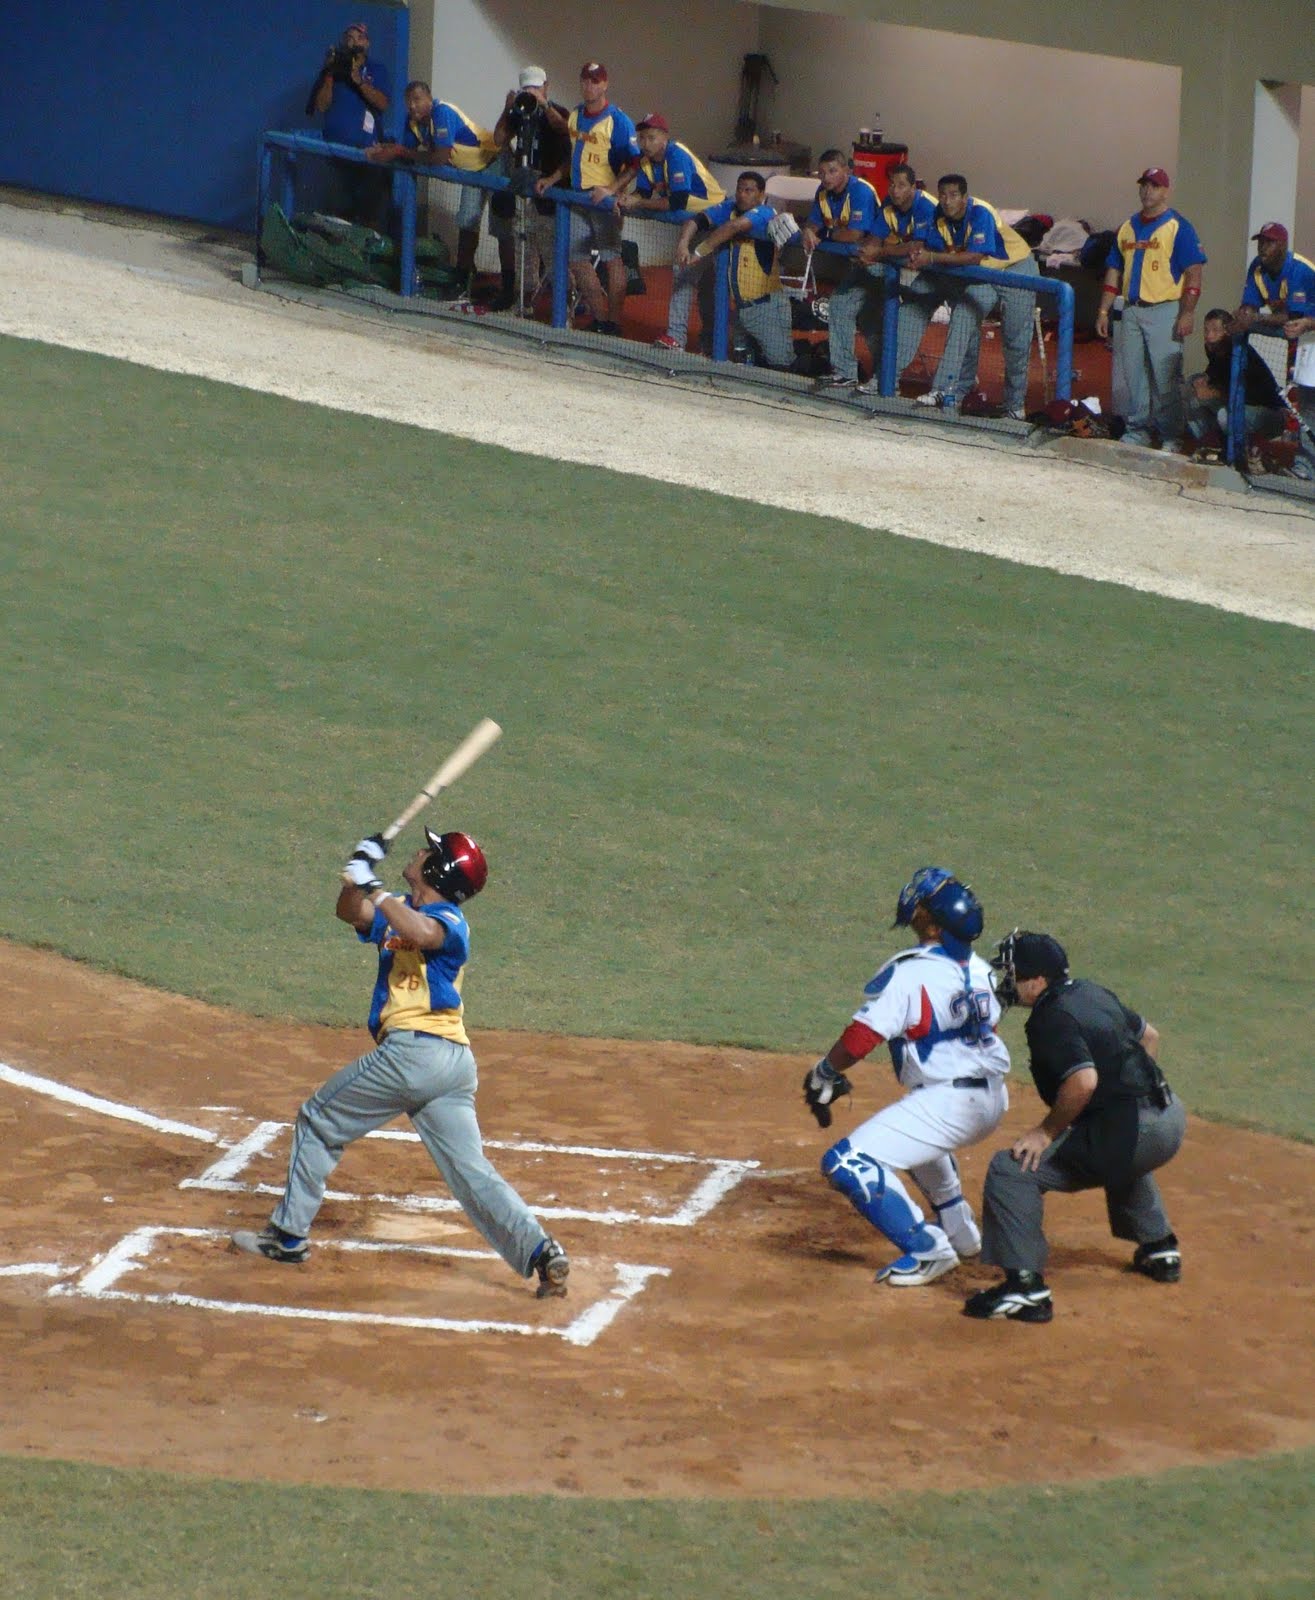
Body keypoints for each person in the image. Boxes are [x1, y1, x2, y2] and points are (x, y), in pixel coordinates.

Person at [230, 827, 570, 1301]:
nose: (419, 851)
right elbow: (349, 913)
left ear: (437, 870)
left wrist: (375, 886)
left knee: (319, 1119)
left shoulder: (448, 921)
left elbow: (422, 933)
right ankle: (541, 1252)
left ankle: (287, 1238)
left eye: (429, 851)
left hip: (418, 1054)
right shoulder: (401, 913)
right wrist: (356, 875)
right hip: (449, 1066)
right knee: (470, 1168)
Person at [802, 867, 1010, 1288]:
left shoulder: (910, 972)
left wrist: (825, 1071)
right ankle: (960, 1229)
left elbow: (862, 1038)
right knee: (918, 1125)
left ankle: (926, 1249)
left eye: (923, 907)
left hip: (953, 1104)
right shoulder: (984, 971)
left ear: (934, 924)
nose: (915, 908)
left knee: (845, 1162)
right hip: (991, 1099)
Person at [963, 931, 1185, 1324]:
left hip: (1135, 1134)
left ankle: (1025, 1289)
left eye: (1013, 974)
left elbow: (1082, 1081)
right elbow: (1149, 1036)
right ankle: (1159, 1247)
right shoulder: (1091, 992)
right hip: (1169, 1118)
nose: (1006, 983)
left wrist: (1045, 1132)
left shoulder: (1052, 1018)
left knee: (1011, 1170)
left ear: (1038, 980)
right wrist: (1126, 1096)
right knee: (1114, 1143)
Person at [900, 174, 1037, 418]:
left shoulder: (980, 212)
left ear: (964, 197)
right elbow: (930, 246)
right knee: (962, 318)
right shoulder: (939, 214)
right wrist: (916, 253)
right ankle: (949, 391)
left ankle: (1015, 406)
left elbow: (973, 256)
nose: (947, 201)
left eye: (953, 195)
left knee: (1015, 341)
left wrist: (929, 258)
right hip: (983, 274)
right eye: (943, 195)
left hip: (1015, 269)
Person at [368, 82, 510, 305]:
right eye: (409, 102)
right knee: (467, 220)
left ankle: (508, 290)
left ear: (429, 98)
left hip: (493, 160)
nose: (413, 106)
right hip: (471, 171)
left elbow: (440, 157)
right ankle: (463, 281)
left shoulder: (441, 112)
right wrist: (383, 149)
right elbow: (407, 150)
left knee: (501, 226)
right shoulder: (414, 123)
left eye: (417, 99)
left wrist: (400, 151)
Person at [1095, 168, 1206, 449]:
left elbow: (1194, 272)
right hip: (1131, 310)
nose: (1148, 191)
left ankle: (1171, 435)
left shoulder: (1178, 226)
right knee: (1134, 375)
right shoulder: (1128, 227)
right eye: (1144, 185)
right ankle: (1137, 429)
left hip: (1165, 311)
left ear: (1165, 191)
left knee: (1166, 378)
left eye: (1154, 186)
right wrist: (1104, 311)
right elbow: (1114, 270)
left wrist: (1188, 312)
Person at [536, 62, 640, 336]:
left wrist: (612, 189)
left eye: (595, 81)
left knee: (612, 257)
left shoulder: (618, 120)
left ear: (605, 84)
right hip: (578, 197)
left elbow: (633, 165)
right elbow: (574, 156)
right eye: (585, 81)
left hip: (603, 200)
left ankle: (614, 323)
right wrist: (553, 178)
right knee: (575, 257)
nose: (589, 86)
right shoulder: (576, 115)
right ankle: (600, 316)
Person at [818, 162, 938, 393]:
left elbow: (917, 246)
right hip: (900, 270)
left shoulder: (927, 206)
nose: (895, 190)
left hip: (939, 274)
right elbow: (874, 238)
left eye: (901, 185)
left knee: (907, 321)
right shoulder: (889, 204)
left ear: (914, 187)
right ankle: (846, 373)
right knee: (845, 305)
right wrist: (866, 254)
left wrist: (878, 253)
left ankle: (887, 381)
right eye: (892, 184)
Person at [616, 112, 725, 353]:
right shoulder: (646, 161)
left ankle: (678, 337)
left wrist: (638, 204)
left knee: (685, 271)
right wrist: (628, 198)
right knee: (706, 283)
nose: (646, 143)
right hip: (695, 221)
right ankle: (710, 338)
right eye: (642, 137)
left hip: (713, 218)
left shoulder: (676, 155)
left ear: (664, 137)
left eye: (652, 137)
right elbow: (643, 194)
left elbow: (676, 203)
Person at [671, 171, 798, 370]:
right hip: (741, 307)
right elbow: (697, 220)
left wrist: (699, 251)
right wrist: (683, 244)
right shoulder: (730, 208)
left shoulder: (765, 212)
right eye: (740, 189)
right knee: (742, 362)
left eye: (749, 190)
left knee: (781, 364)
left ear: (761, 194)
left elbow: (734, 227)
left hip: (766, 307)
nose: (742, 195)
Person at [492, 66, 572, 312]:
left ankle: (565, 309)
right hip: (525, 191)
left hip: (550, 194)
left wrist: (543, 104)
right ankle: (523, 302)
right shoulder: (520, 112)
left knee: (552, 254)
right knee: (523, 250)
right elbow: (499, 139)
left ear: (546, 86)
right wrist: (508, 110)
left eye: (537, 88)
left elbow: (563, 128)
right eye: (528, 89)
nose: (532, 93)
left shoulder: (557, 111)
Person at [307, 21, 393, 231]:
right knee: (338, 216)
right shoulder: (334, 72)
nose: (353, 42)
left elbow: (383, 104)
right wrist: (329, 74)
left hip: (368, 156)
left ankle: (367, 260)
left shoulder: (377, 69)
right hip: (338, 155)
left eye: (359, 37)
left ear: (367, 43)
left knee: (369, 215)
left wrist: (360, 82)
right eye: (349, 38)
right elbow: (321, 105)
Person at [1183, 308, 1285, 456]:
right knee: (1191, 387)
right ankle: (1211, 444)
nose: (1209, 335)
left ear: (1228, 331)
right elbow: (1215, 371)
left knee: (1225, 416)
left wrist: (1216, 393)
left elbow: (1254, 395)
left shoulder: (1240, 353)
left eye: (1215, 330)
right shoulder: (1213, 347)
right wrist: (1204, 379)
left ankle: (1244, 452)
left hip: (1267, 412)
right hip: (1234, 402)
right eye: (1206, 330)